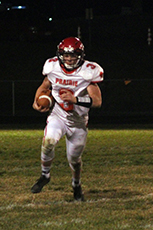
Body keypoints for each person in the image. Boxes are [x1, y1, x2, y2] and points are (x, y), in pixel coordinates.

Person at [31, 37, 104, 201]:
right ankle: (45, 175)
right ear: (60, 54)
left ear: (80, 55)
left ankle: (76, 185)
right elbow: (44, 86)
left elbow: (97, 102)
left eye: (73, 55)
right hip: (59, 115)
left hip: (78, 122)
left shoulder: (88, 71)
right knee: (49, 141)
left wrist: (75, 99)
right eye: (66, 55)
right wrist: (36, 102)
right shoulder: (52, 67)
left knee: (74, 159)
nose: (69, 59)